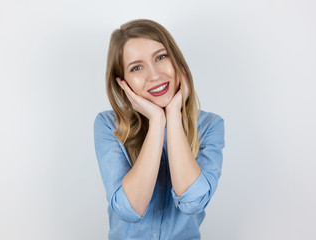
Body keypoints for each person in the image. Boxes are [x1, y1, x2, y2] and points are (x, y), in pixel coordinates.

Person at [93, 19, 225, 240]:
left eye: (161, 57)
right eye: (136, 67)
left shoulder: (210, 126)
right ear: (123, 82)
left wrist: (173, 115)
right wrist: (156, 120)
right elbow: (128, 210)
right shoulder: (109, 125)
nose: (154, 75)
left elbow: (193, 202)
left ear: (177, 61)